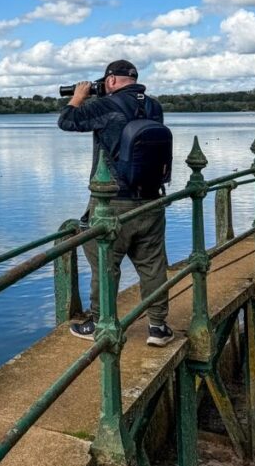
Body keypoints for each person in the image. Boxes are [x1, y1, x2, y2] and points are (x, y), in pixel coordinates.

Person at [57, 59, 174, 348]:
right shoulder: (154, 106)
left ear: (110, 80)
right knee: (152, 264)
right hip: (150, 198)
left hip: (112, 202)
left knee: (104, 262)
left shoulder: (107, 106)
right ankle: (158, 327)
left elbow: (67, 121)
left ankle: (100, 322)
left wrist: (78, 97)